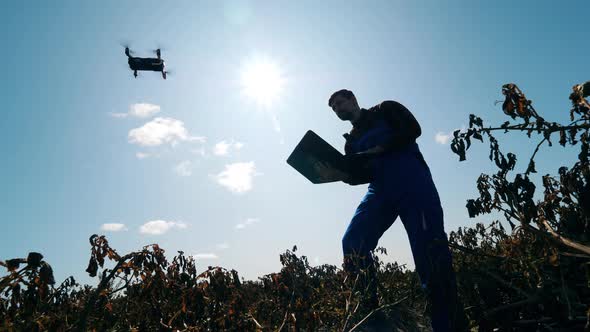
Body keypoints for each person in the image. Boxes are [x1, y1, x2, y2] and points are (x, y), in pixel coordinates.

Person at [315, 89, 465, 332]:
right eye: (334, 108)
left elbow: (413, 129)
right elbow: (360, 175)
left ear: (353, 99)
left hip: (411, 180)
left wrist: (378, 149)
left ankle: (449, 325)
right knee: (353, 241)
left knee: (430, 252)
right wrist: (338, 175)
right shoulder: (350, 142)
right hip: (380, 190)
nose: (338, 109)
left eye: (340, 103)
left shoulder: (385, 109)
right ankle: (371, 317)